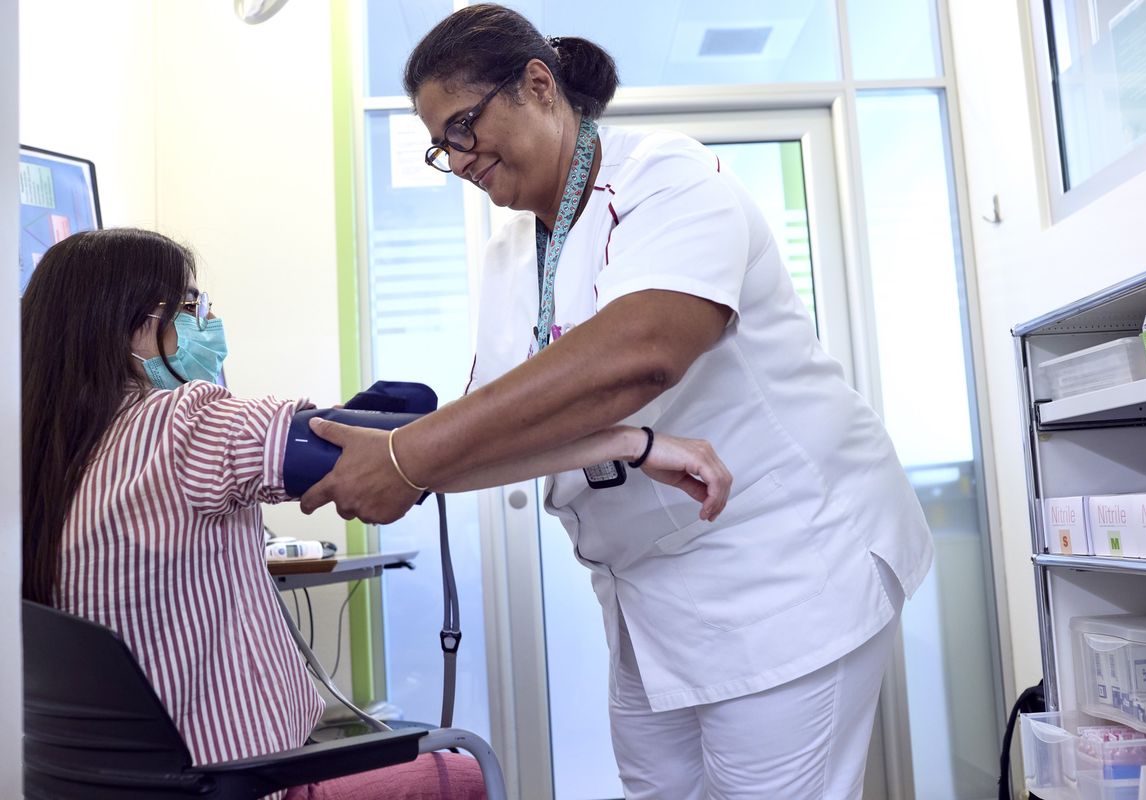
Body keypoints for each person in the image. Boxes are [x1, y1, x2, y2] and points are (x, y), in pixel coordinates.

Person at [298, 6, 934, 799]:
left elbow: (642, 353)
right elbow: (494, 430)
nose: (457, 159)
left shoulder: (665, 176)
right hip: (644, 593)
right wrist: (377, 447)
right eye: (441, 145)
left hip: (779, 566)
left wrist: (409, 458)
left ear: (537, 86)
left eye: (463, 126)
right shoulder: (507, 258)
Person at [20, 228, 730, 799]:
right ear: (136, 331)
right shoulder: (183, 423)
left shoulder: (33, 458)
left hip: (116, 784)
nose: (208, 323)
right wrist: (631, 441)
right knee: (462, 771)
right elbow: (414, 459)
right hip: (248, 778)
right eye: (192, 307)